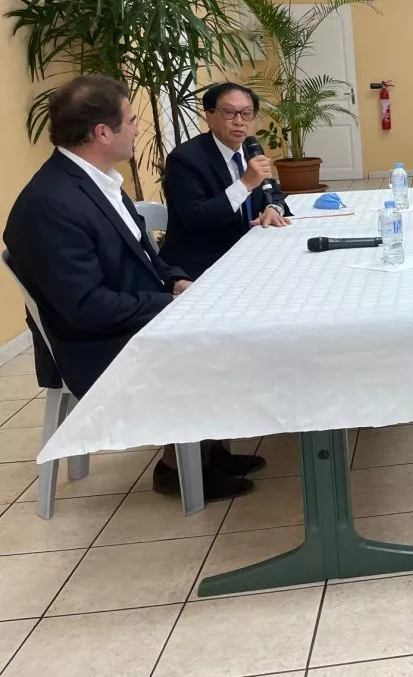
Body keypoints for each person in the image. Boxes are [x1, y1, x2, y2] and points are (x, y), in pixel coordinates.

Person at [3, 75, 261, 501]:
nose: (138, 129)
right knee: (217, 338)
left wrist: (177, 281)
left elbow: (147, 257)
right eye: (131, 120)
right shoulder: (50, 204)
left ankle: (209, 448)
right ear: (102, 133)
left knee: (233, 317)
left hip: (120, 314)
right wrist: (169, 303)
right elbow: (84, 306)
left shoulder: (98, 180)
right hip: (91, 342)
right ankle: (176, 466)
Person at [159, 82, 289, 279]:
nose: (239, 121)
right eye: (229, 112)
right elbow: (196, 218)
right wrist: (245, 184)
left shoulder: (251, 149)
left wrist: (273, 209)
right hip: (202, 263)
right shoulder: (184, 159)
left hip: (248, 252)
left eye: (246, 113)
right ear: (209, 116)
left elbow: (273, 193)